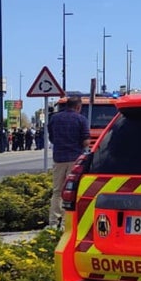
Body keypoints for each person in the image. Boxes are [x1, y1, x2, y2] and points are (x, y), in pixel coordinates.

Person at [48, 94, 91, 228]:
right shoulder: (81, 119)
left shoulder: (54, 118)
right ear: (78, 107)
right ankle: (67, 223)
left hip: (59, 158)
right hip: (74, 159)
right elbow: (85, 141)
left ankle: (54, 222)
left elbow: (52, 138)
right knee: (71, 192)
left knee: (57, 191)